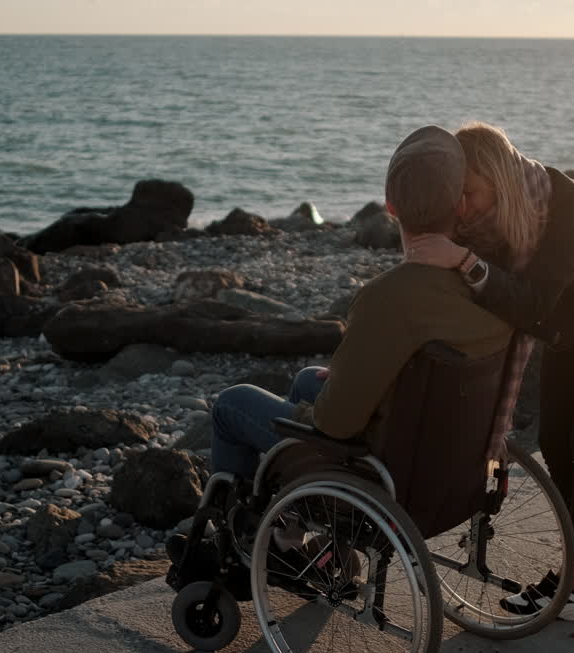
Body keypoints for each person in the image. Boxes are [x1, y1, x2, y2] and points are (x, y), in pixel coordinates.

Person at [405, 122, 574, 621]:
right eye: (454, 195)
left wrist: (466, 262)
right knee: (556, 439)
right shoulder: (483, 219)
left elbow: (533, 304)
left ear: (499, 179)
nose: (463, 207)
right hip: (571, 317)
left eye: (470, 193)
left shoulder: (568, 207)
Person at [208, 124, 512, 494]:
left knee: (232, 404)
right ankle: (287, 530)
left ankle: (241, 539)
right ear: (460, 204)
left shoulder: (385, 297)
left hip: (381, 471)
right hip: (449, 465)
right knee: (308, 380)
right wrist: (351, 375)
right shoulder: (488, 285)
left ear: (391, 208)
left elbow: (336, 424)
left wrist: (341, 389)